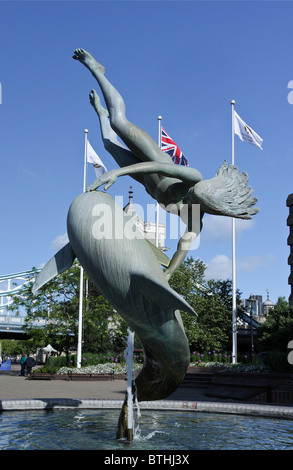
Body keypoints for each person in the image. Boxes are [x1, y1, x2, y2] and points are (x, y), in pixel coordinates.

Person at [73, 49, 259, 279]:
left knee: (109, 145)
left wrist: (169, 272)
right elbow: (156, 167)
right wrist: (117, 173)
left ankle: (101, 113)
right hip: (153, 159)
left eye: (195, 200)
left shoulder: (194, 219)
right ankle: (97, 71)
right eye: (192, 195)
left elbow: (184, 245)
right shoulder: (193, 176)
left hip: (145, 181)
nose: (189, 198)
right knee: (119, 122)